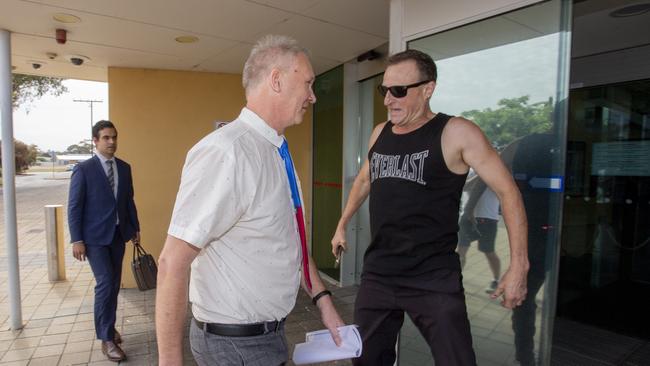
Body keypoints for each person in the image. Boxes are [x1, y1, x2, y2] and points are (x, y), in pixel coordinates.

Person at [330, 49, 529, 366]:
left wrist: (519, 265)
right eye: (385, 90)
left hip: (433, 278)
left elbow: (509, 192)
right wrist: (342, 223)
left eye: (398, 91)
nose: (387, 100)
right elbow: (365, 180)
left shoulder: (456, 133)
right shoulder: (379, 133)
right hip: (379, 274)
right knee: (366, 360)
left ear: (428, 89)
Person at [155, 35, 345, 366]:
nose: (313, 96)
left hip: (266, 339)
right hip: (234, 347)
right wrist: (170, 361)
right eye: (308, 83)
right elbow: (173, 261)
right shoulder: (227, 152)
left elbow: (291, 243)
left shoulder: (276, 152)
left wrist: (325, 304)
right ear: (276, 80)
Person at [68, 120, 140, 362]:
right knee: (106, 283)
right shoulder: (84, 169)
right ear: (95, 141)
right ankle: (106, 339)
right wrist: (76, 239)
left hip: (118, 236)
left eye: (114, 137)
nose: (112, 142)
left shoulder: (124, 167)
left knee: (114, 284)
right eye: (106, 138)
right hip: (94, 239)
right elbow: (75, 206)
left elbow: (128, 201)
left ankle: (108, 326)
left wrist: (134, 228)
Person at [458, 175, 502, 293]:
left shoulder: (494, 171)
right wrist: (479, 174)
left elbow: (499, 189)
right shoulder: (471, 171)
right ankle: (455, 279)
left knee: (489, 252)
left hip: (488, 218)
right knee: (461, 251)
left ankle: (496, 280)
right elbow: (464, 187)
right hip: (466, 218)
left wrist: (485, 173)